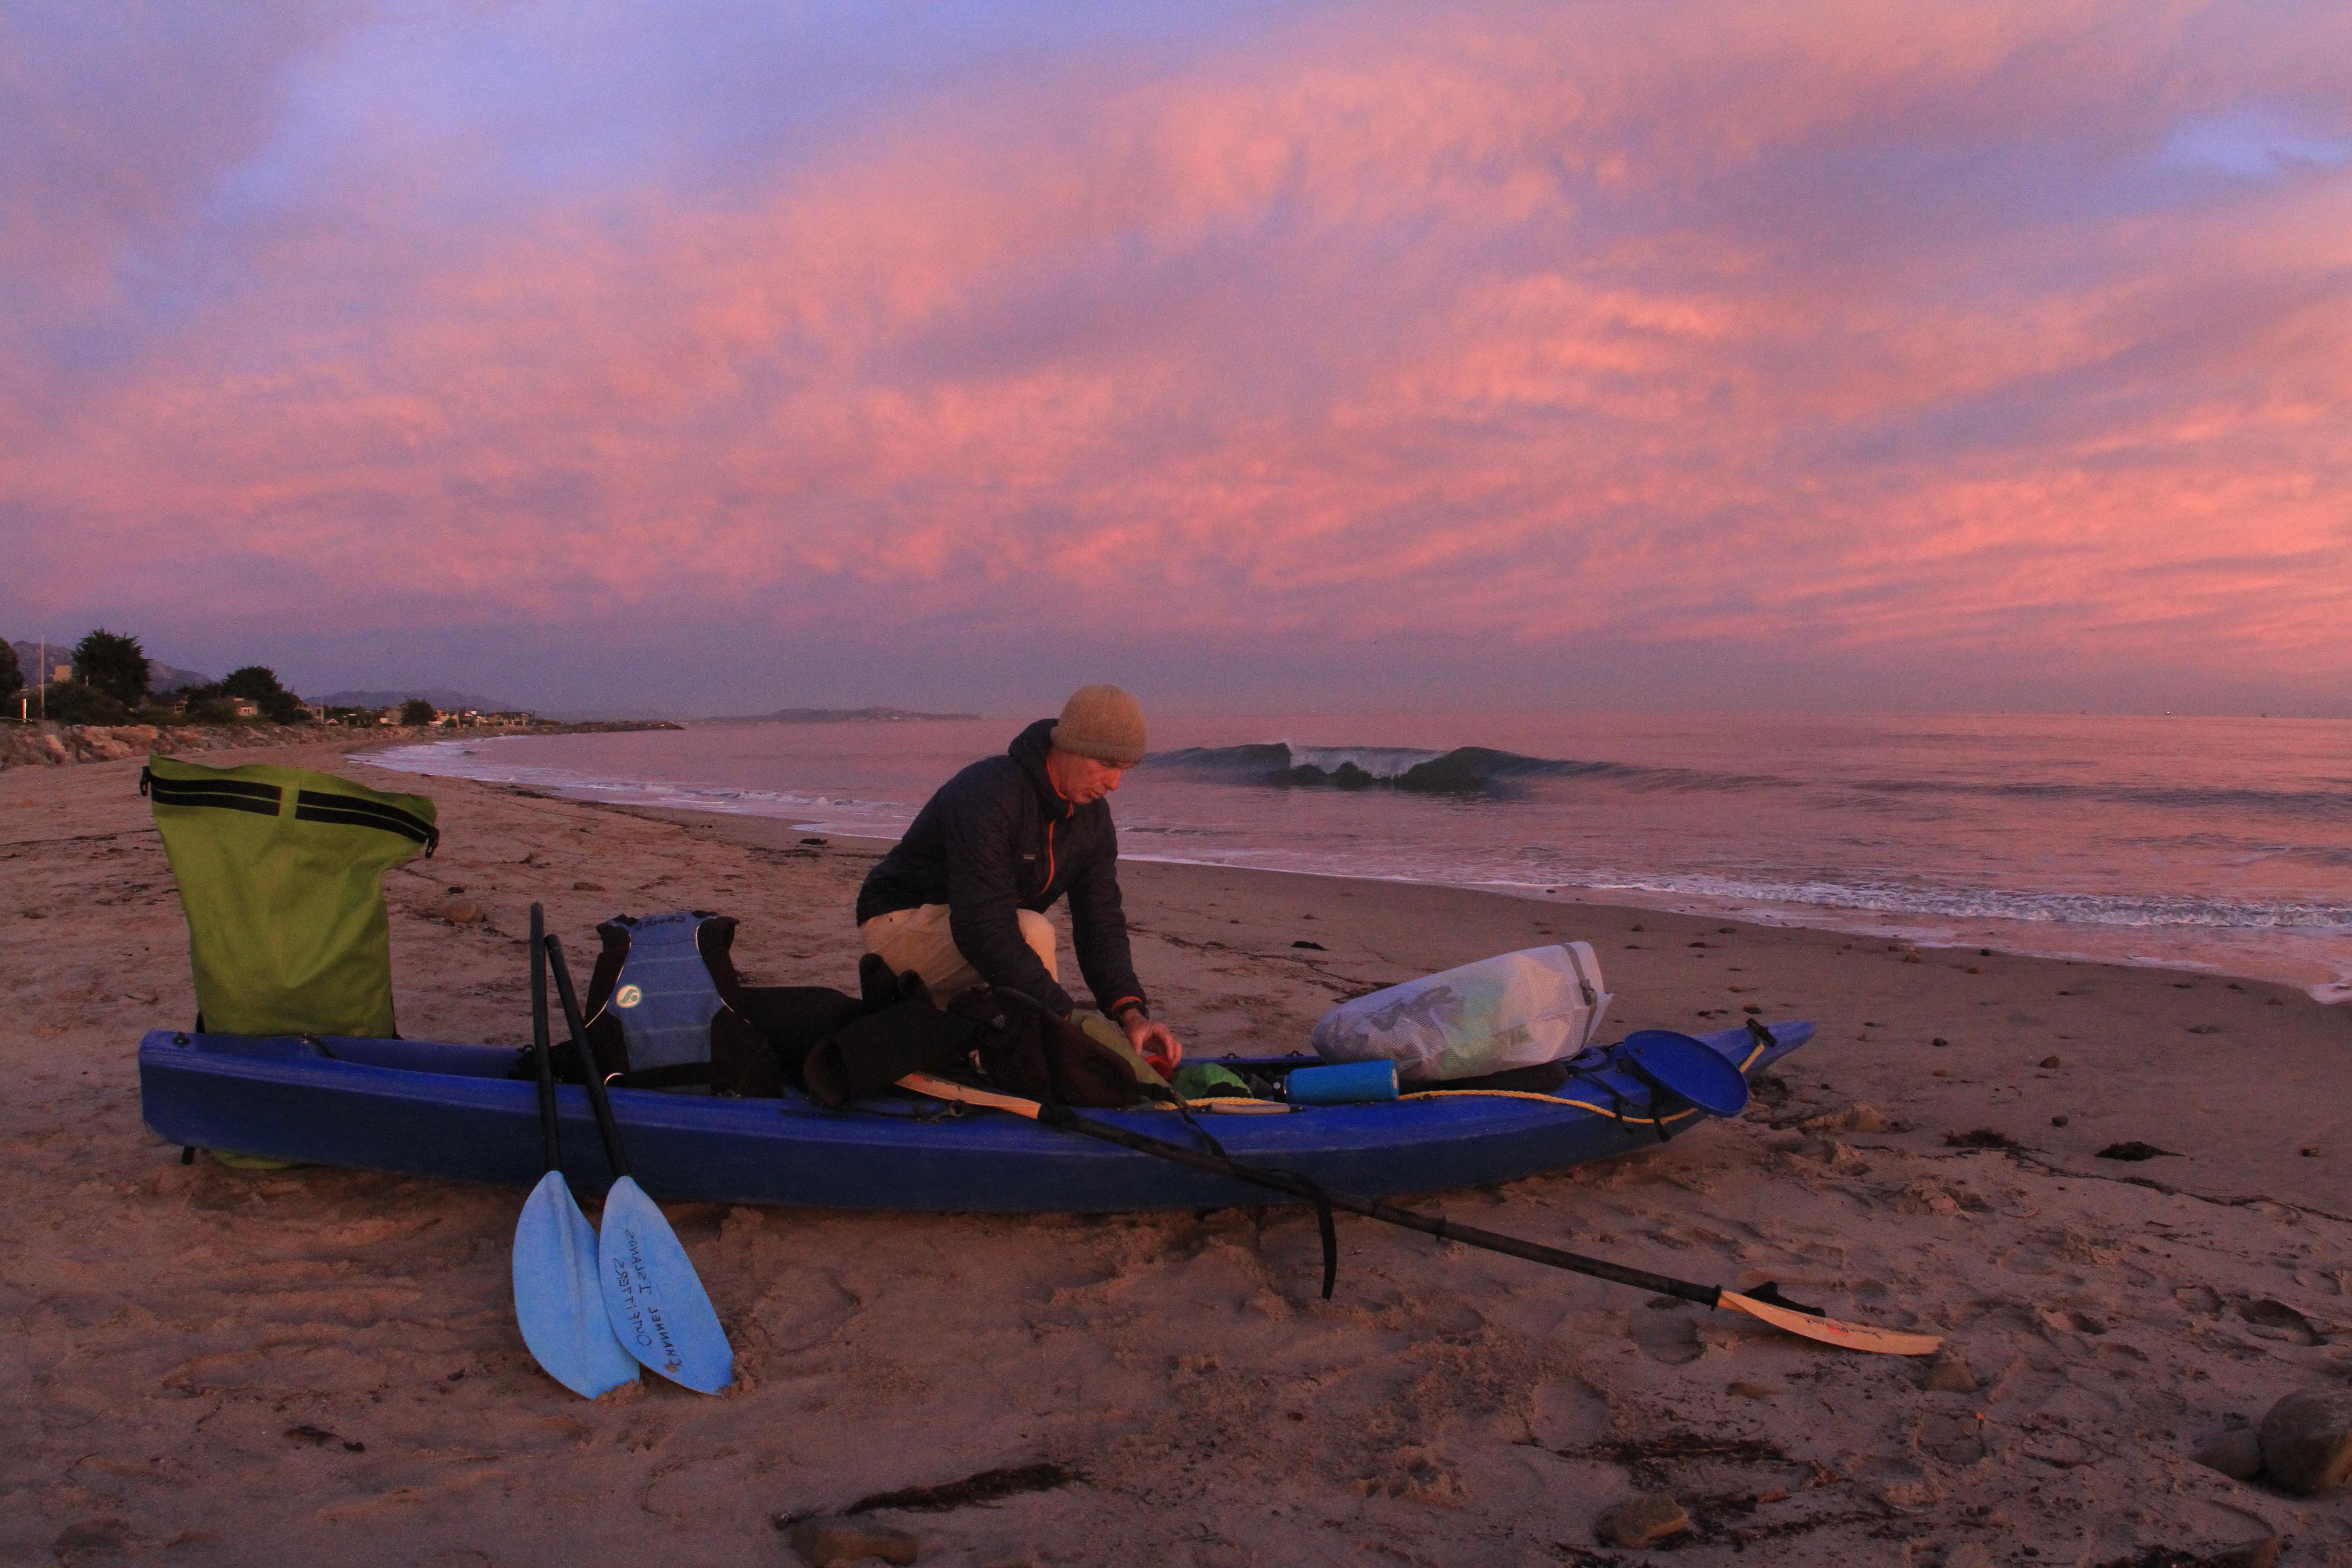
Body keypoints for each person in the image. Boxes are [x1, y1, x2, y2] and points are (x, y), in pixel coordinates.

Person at [855, 685, 1184, 1078]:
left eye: (1125, 770)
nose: (1114, 783)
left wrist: (1130, 1014)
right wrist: (1069, 1021)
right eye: (1106, 764)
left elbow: (1101, 922)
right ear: (1069, 746)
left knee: (1026, 942)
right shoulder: (990, 794)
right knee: (1032, 932)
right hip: (898, 926)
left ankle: (1005, 1048)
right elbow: (983, 930)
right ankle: (1045, 1063)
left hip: (966, 934)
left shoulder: (1093, 822)